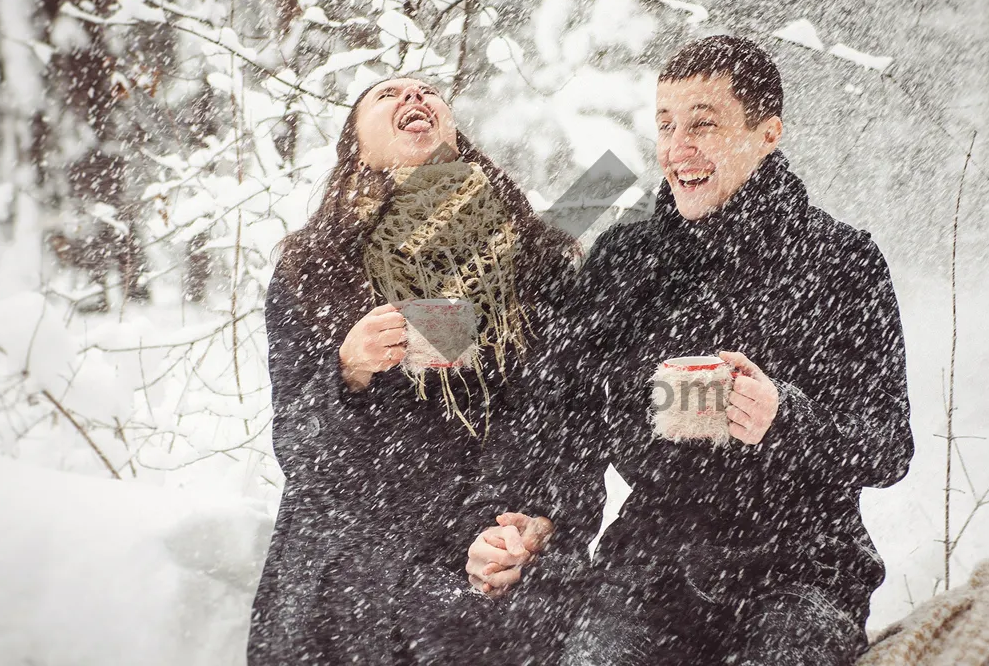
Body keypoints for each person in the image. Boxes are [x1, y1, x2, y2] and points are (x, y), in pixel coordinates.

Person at [467, 36, 914, 665]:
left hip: (803, 570)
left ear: (767, 134)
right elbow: (568, 421)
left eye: (703, 125)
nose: (678, 149)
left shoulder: (842, 261)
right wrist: (542, 517)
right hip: (653, 565)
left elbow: (888, 445)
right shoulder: (627, 259)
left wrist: (783, 421)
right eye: (666, 125)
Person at [247, 76, 575, 664]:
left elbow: (555, 412)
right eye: (388, 95)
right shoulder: (310, 271)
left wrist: (528, 520)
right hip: (347, 572)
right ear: (357, 148)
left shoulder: (533, 256)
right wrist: (347, 371)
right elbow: (298, 447)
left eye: (427, 91)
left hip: (479, 560)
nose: (413, 98)